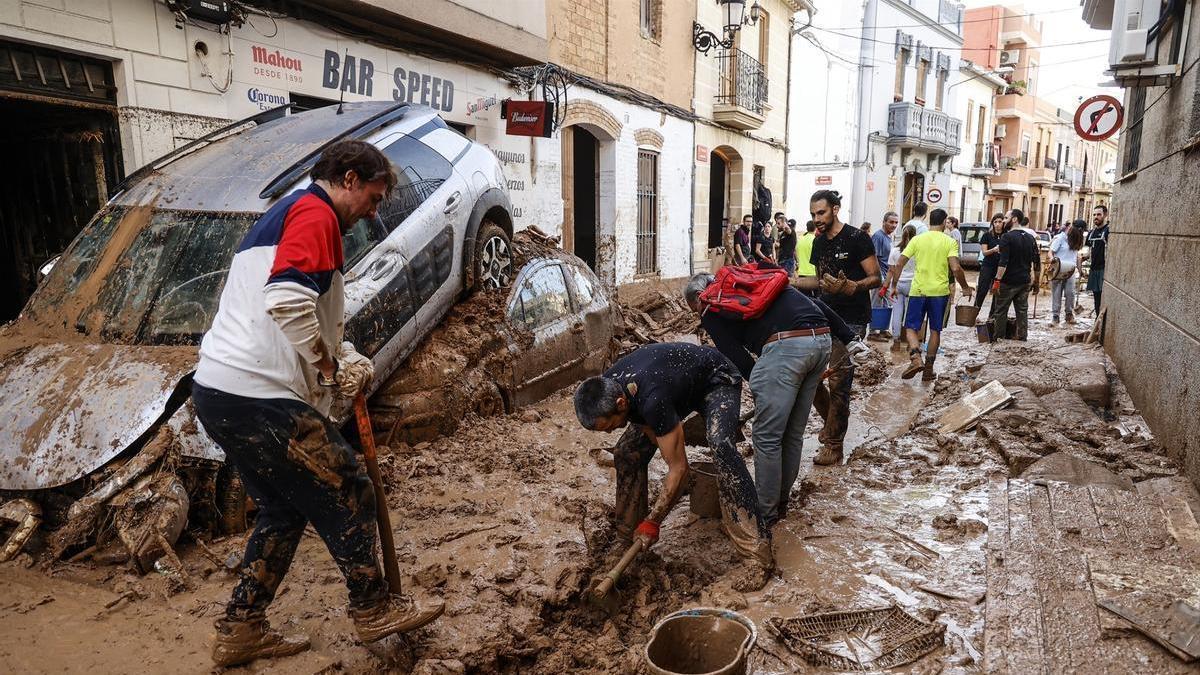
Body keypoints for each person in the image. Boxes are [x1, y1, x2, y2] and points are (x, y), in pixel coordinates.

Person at [191, 141, 443, 668]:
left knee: (282, 510)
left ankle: (241, 628)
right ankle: (372, 609)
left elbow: (302, 309)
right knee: (350, 485)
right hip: (255, 393)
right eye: (373, 198)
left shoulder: (293, 213)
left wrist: (342, 351)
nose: (373, 213)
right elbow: (285, 299)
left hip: (219, 391)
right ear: (348, 178)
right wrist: (328, 369)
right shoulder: (316, 212)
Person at [573, 343, 774, 591]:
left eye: (610, 425)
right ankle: (627, 537)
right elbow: (648, 426)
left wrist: (654, 520)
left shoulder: (649, 397)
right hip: (671, 387)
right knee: (626, 452)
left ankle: (756, 552)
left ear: (621, 403)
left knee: (721, 445)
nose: (613, 430)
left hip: (716, 379)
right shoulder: (608, 387)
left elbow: (678, 468)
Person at [685, 274, 869, 526]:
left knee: (767, 436)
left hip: (786, 346)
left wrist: (760, 384)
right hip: (822, 339)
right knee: (792, 432)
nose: (699, 315)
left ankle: (765, 514)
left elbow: (735, 354)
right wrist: (848, 338)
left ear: (698, 298)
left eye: (694, 310)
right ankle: (780, 503)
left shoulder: (709, 306)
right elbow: (819, 306)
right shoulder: (757, 281)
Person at [796, 189, 881, 466]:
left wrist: (853, 285)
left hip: (852, 320)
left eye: (821, 212)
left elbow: (876, 278)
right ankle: (832, 425)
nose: (816, 219)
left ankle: (834, 444)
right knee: (810, 378)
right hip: (824, 317)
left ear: (835, 209)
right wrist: (789, 282)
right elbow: (818, 282)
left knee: (839, 382)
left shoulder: (858, 238)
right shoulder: (819, 243)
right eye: (812, 214)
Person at [890, 209, 974, 381]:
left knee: (911, 328)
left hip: (918, 291)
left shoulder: (917, 240)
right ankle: (928, 371)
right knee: (935, 331)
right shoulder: (949, 241)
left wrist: (894, 285)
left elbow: (899, 264)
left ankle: (915, 358)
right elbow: (956, 268)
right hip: (939, 293)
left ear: (929, 221)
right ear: (944, 222)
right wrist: (965, 287)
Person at [989, 208, 1042, 341]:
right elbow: (1037, 262)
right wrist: (1036, 283)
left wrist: (996, 281)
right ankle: (1023, 339)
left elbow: (1003, 262)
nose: (1003, 222)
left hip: (1007, 282)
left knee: (1000, 311)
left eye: (1006, 218)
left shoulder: (1006, 237)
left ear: (1014, 219)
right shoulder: (1030, 238)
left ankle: (998, 340)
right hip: (1024, 282)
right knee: (1022, 312)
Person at [886, 224, 918, 348]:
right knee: (911, 314)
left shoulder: (895, 251)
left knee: (897, 312)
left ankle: (896, 342)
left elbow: (891, 270)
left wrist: (887, 286)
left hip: (898, 284)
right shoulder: (917, 251)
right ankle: (911, 344)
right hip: (913, 285)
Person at [1050, 220, 1086, 325]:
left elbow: (1077, 256)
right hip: (1058, 269)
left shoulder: (1077, 239)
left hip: (1070, 270)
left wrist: (1080, 270)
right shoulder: (1060, 238)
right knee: (1057, 293)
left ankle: (1069, 314)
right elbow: (1050, 252)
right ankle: (1055, 316)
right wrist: (1052, 259)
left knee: (1070, 293)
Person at [869, 212, 898, 339]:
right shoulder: (878, 236)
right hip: (880, 276)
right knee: (876, 302)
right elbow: (873, 257)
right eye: (891, 222)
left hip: (887, 276)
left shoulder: (888, 237)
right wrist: (878, 276)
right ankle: (872, 331)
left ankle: (883, 329)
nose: (894, 225)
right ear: (884, 222)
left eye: (896, 222)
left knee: (886, 303)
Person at [973, 213, 1006, 311]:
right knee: (982, 290)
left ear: (1003, 223)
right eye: (995, 222)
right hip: (988, 265)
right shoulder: (987, 235)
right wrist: (994, 250)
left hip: (1000, 267)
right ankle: (974, 313)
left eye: (1000, 222)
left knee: (997, 291)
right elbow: (984, 252)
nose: (997, 224)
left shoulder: (1006, 235)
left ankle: (992, 317)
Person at [1086, 205, 1110, 316]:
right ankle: (1097, 322)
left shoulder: (1109, 231)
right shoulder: (1091, 233)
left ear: (1105, 215)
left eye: (1099, 214)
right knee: (1096, 298)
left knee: (1103, 298)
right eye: (1094, 214)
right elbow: (1088, 252)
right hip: (1094, 269)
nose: (1096, 217)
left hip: (1104, 270)